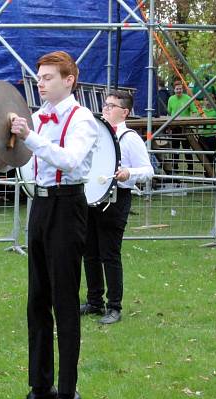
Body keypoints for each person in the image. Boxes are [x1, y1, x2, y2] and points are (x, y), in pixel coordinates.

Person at [7, 51, 99, 399]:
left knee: (64, 304)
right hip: (41, 207)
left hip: (68, 207)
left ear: (69, 80)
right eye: (39, 77)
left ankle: (68, 395)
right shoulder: (39, 118)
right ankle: (39, 389)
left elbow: (71, 161)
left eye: (47, 77)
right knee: (37, 302)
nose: (40, 82)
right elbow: (31, 164)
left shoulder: (83, 120)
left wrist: (30, 137)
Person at [81, 90, 154, 325]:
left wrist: (127, 173)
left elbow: (149, 170)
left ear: (125, 112)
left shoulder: (129, 138)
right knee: (90, 252)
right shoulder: (98, 134)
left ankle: (114, 306)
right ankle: (94, 301)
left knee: (109, 254)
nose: (106, 108)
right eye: (105, 104)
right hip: (93, 198)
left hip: (117, 199)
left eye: (111, 106)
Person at [166, 80, 196, 172]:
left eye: (180, 89)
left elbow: (194, 111)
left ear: (182, 89)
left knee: (187, 147)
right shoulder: (171, 99)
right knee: (175, 148)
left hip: (185, 127)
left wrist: (192, 121)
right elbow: (169, 113)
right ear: (174, 90)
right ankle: (175, 167)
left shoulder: (187, 98)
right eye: (177, 89)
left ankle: (190, 168)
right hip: (175, 127)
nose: (179, 90)